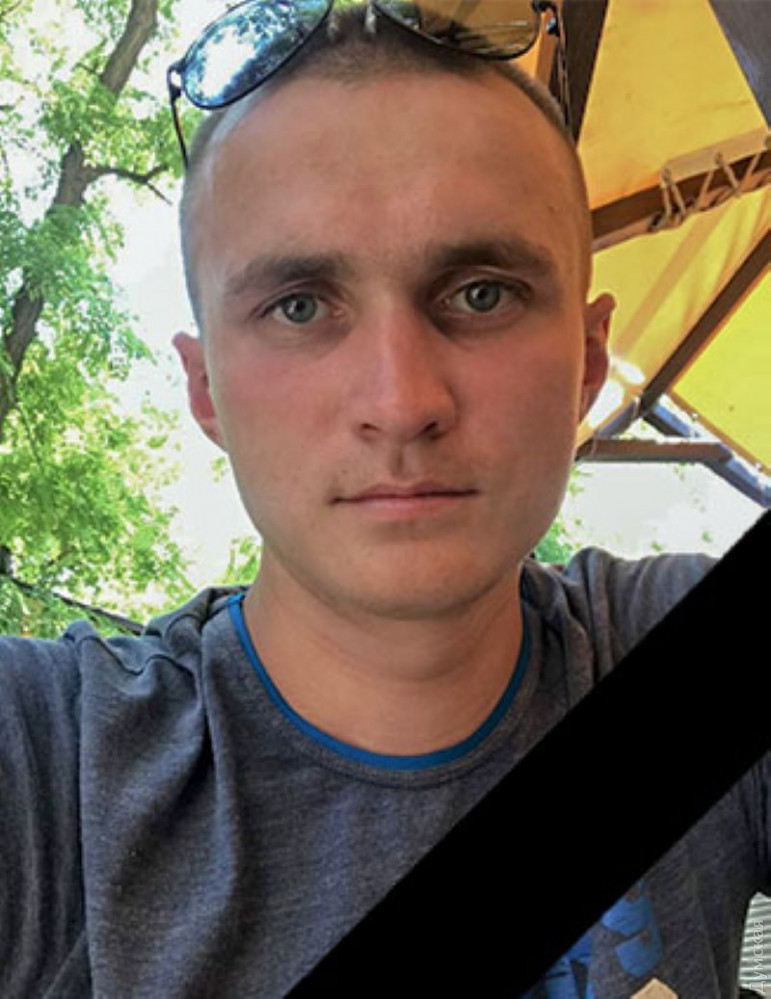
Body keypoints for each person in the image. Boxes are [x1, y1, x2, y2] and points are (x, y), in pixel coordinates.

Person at [0, 2, 767, 996]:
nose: (402, 402)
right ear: (206, 389)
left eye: (480, 293)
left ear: (585, 362)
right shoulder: (50, 764)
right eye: (300, 307)